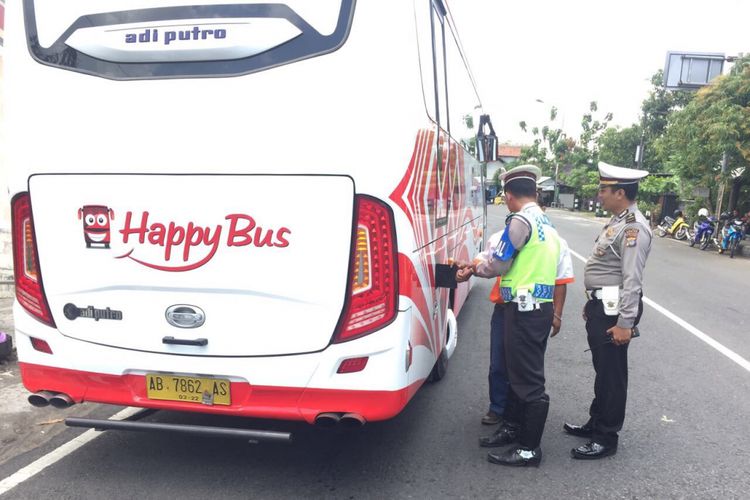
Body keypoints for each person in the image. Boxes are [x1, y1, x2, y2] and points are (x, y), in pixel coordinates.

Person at [457, 164, 561, 467]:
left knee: (528, 381)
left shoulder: (519, 220)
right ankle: (514, 429)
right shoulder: (545, 221)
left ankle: (529, 449)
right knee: (518, 376)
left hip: (524, 310)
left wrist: (475, 269)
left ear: (509, 194)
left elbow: (499, 264)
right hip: (536, 308)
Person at [565, 161, 651, 460]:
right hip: (604, 305)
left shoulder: (633, 228)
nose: (599, 195)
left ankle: (606, 437)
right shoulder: (617, 222)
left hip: (616, 310)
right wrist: (594, 303)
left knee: (612, 375)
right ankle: (596, 422)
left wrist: (625, 323)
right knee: (603, 371)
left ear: (621, 192)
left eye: (604, 190)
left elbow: (632, 280)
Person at [463, 227, 575, 428]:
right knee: (499, 362)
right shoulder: (502, 236)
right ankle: (499, 409)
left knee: (526, 368)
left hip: (533, 312)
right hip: (504, 308)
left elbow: (561, 280)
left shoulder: (554, 240)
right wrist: (471, 267)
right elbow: (485, 259)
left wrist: (557, 314)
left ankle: (523, 418)